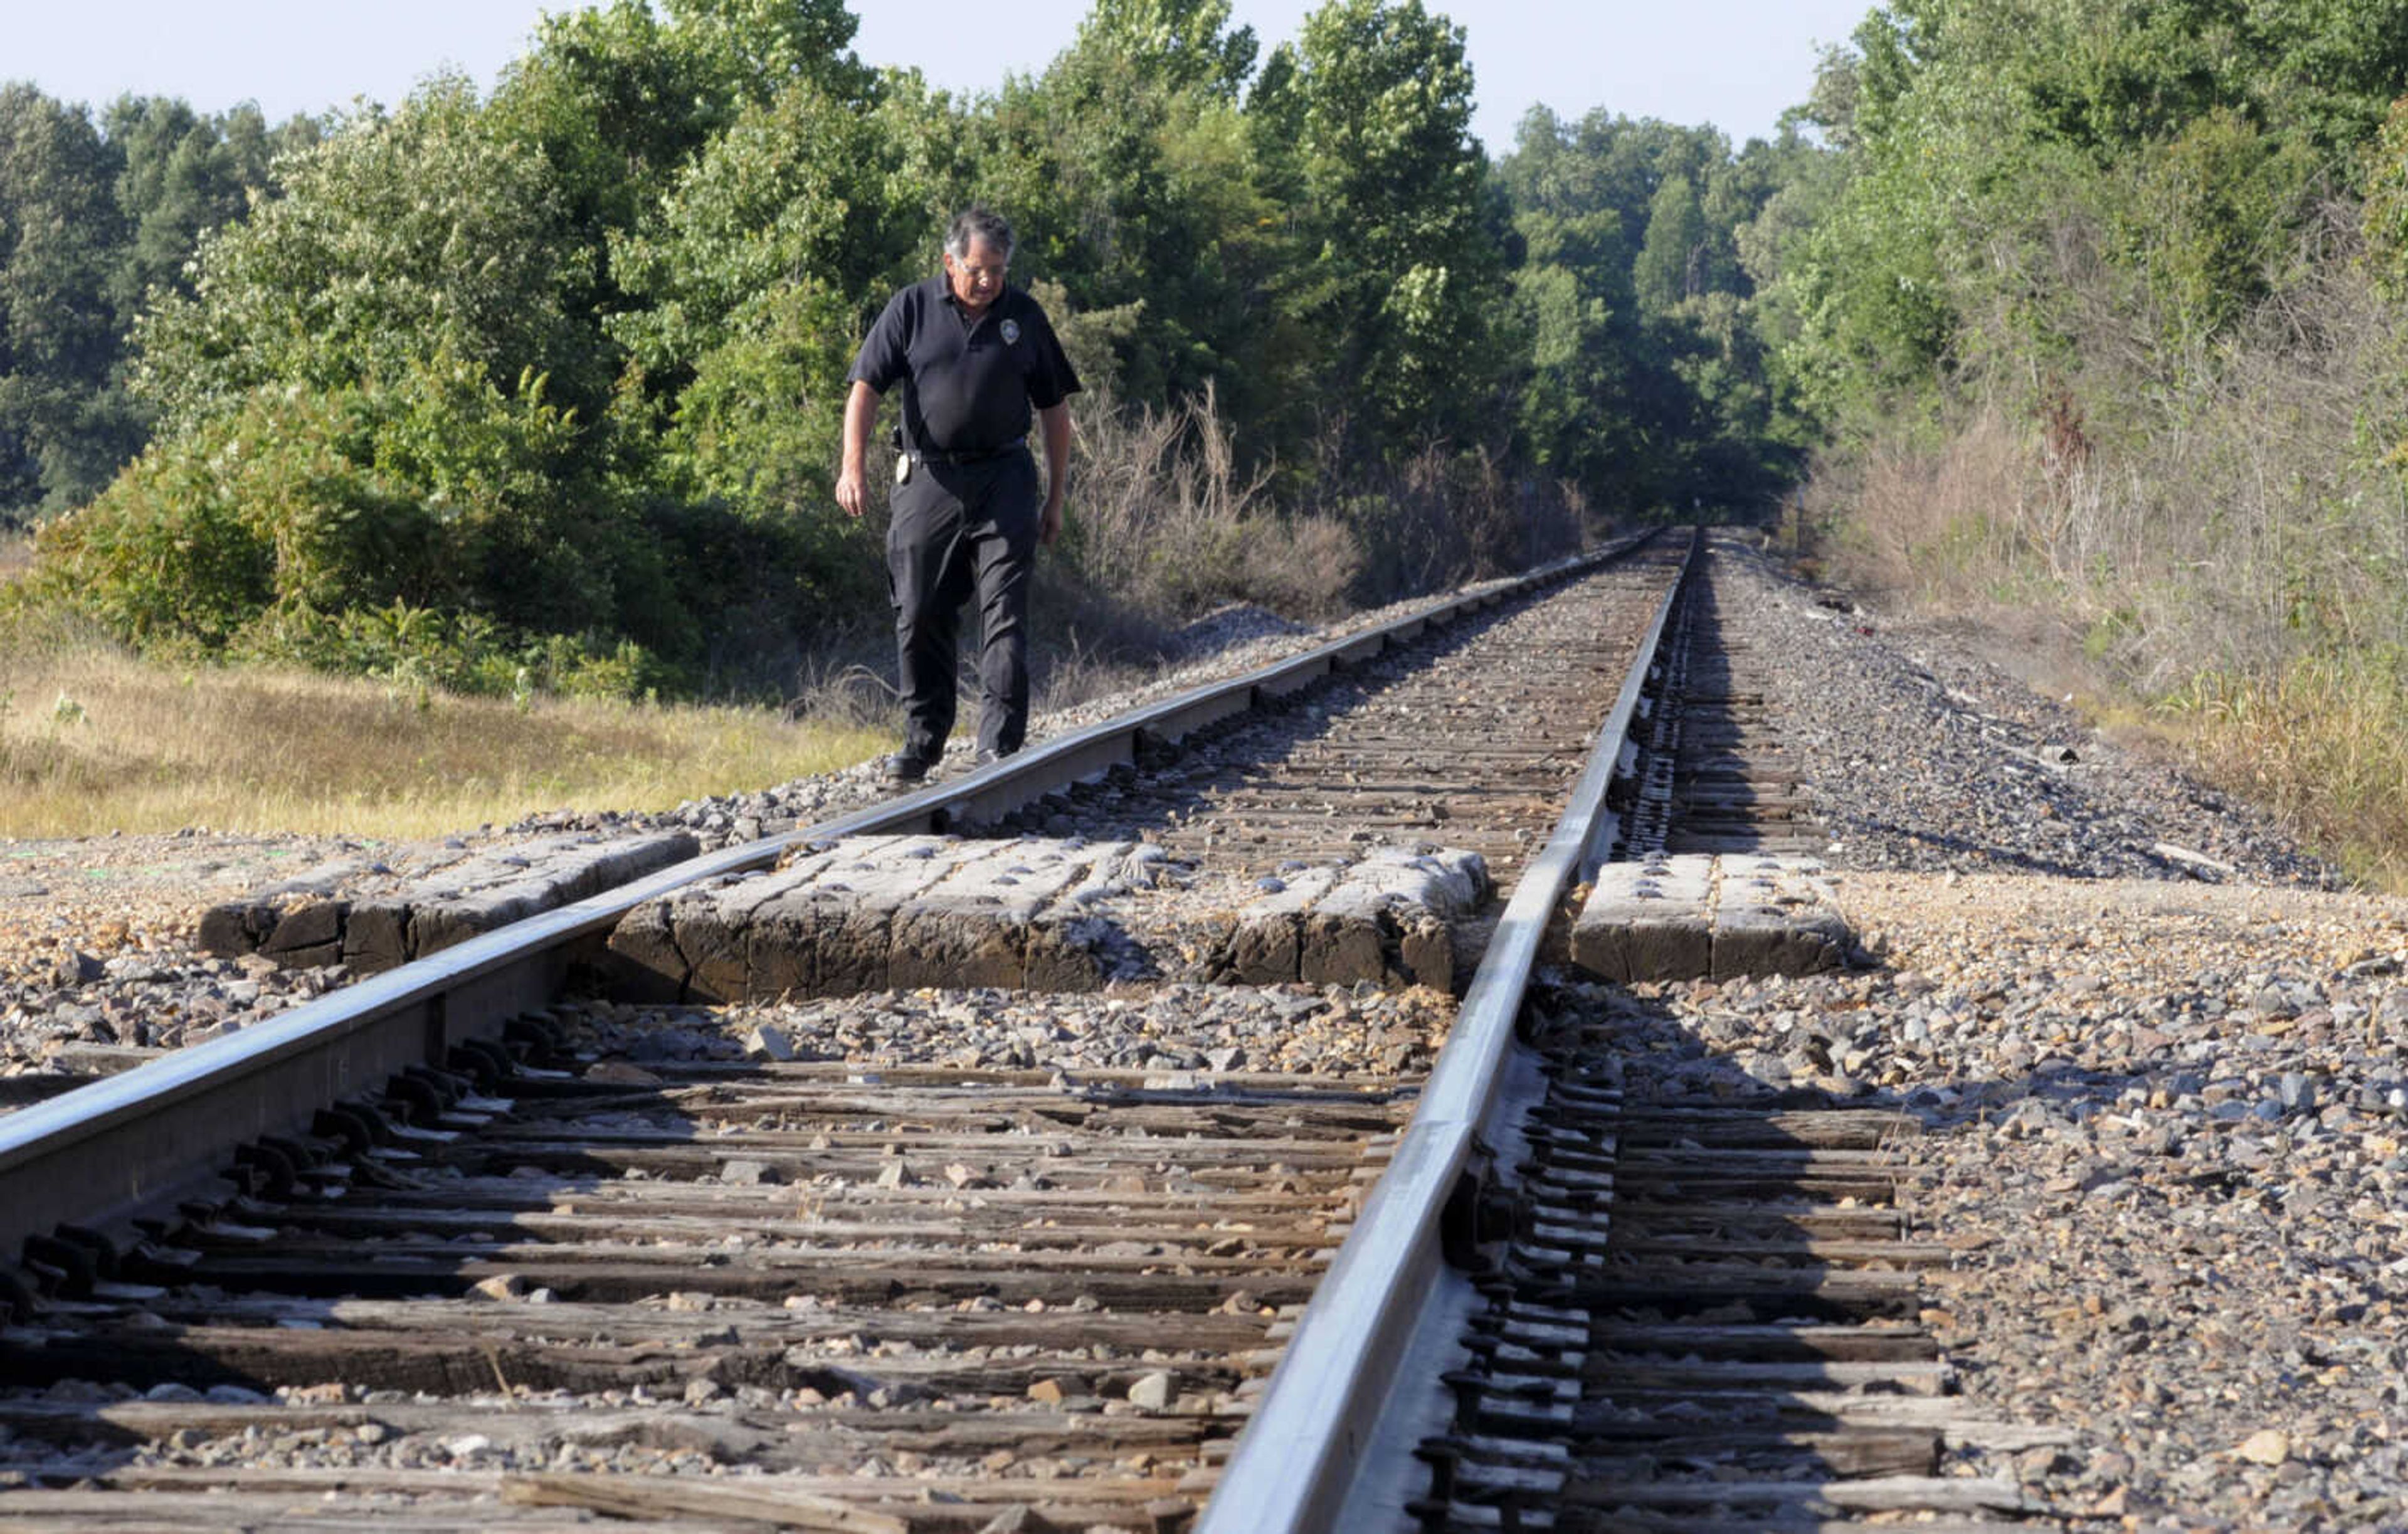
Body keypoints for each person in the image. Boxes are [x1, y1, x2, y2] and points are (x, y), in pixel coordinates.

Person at [835, 207, 1080, 785]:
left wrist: (1056, 498)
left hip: (1005, 479)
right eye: (977, 269)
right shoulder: (912, 308)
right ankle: (923, 742)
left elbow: (1055, 409)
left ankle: (997, 748)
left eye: (998, 269)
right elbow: (865, 386)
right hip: (928, 479)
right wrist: (852, 468)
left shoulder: (1024, 316)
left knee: (1004, 614)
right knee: (920, 610)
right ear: (949, 263)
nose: (989, 281)